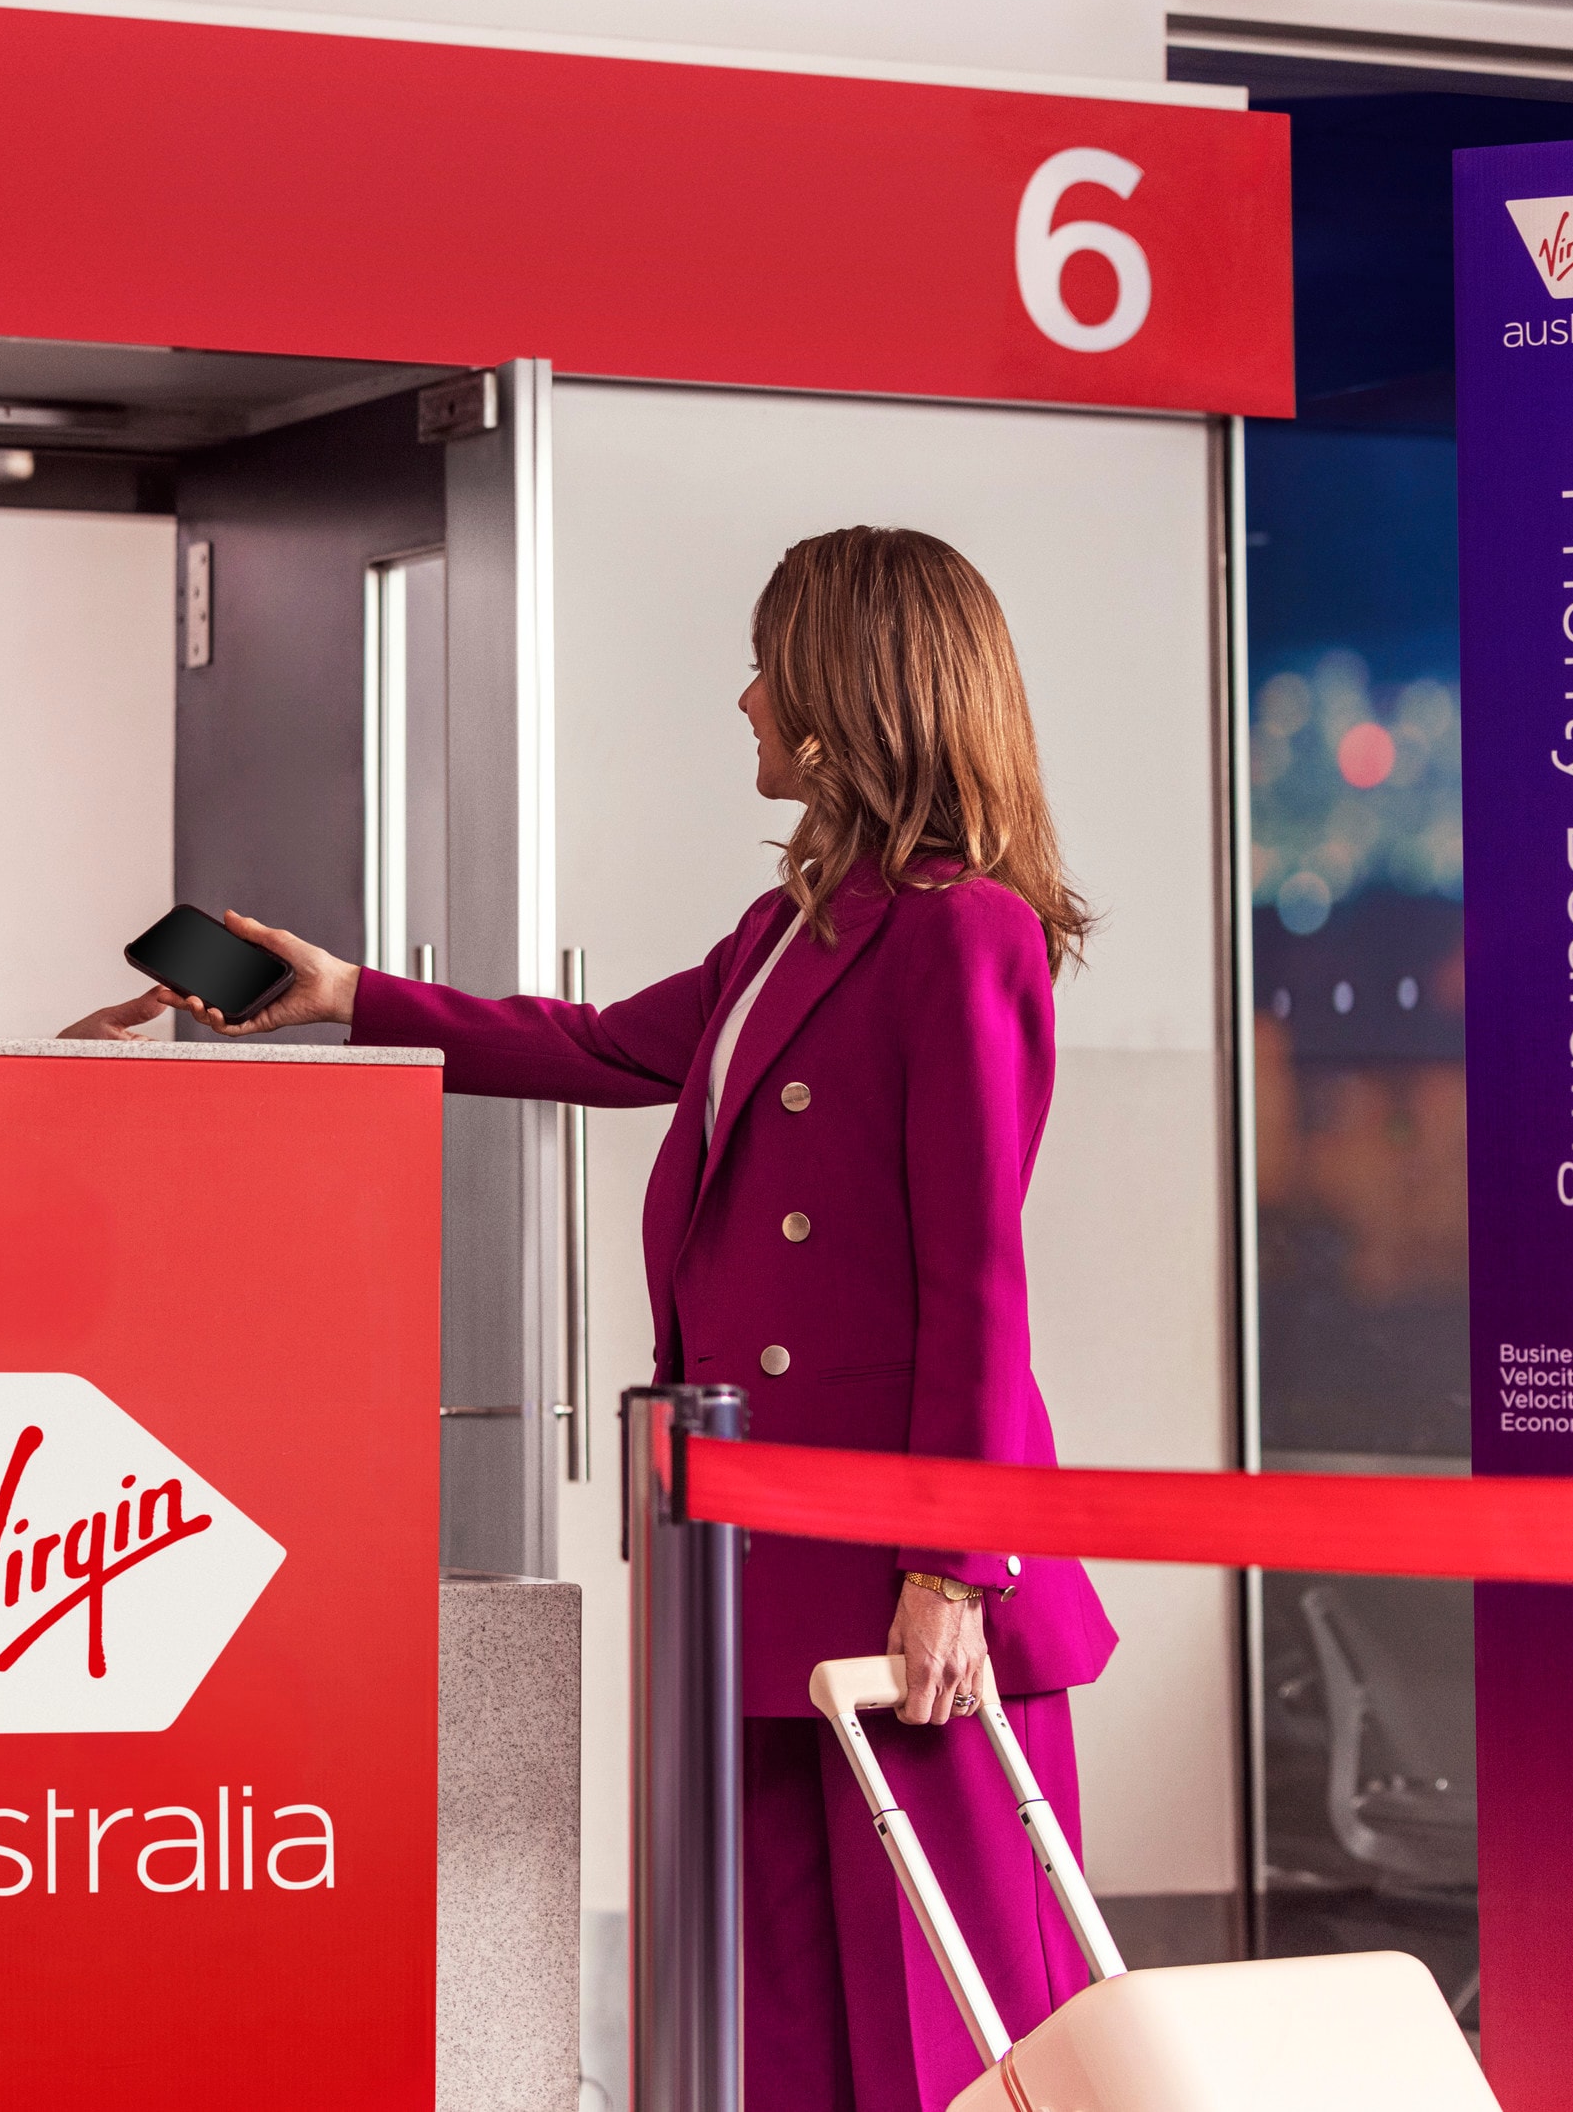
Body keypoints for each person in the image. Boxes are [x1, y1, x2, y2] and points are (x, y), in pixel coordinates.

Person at [114, 526, 1116, 2112]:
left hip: (902, 1566)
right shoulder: (797, 926)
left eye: (770, 665)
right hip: (764, 1558)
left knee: (954, 2027)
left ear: (855, 687)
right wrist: (348, 996)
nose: (744, 700)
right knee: (777, 2022)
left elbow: (977, 1283)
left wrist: (953, 1567)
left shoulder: (963, 932)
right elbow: (597, 1046)